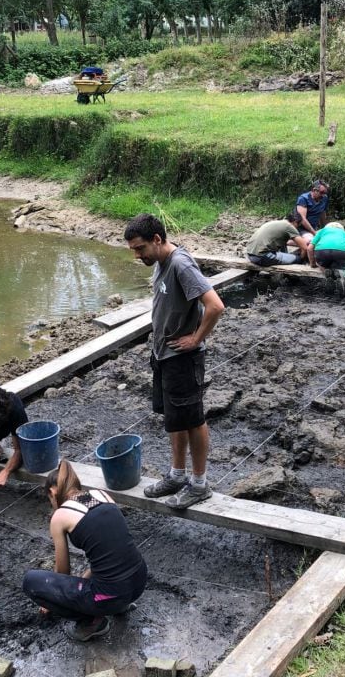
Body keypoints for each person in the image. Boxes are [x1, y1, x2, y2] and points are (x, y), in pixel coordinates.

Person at [124, 213, 225, 509]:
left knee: (193, 418)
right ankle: (177, 475)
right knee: (174, 418)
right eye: (133, 250)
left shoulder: (180, 264)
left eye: (140, 248)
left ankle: (199, 484)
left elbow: (215, 306)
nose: (137, 255)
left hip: (184, 358)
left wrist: (195, 338)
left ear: (157, 240)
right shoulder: (159, 262)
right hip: (164, 355)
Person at [22, 461, 148, 642]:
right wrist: (84, 580)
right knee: (104, 575)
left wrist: (50, 597)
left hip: (111, 596)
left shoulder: (60, 516)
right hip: (139, 582)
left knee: (31, 582)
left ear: (52, 492)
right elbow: (108, 554)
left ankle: (92, 622)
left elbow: (63, 572)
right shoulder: (102, 495)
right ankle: (120, 605)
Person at [308, 222, 345, 293]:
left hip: (322, 253)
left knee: (318, 262)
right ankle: (343, 273)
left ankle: (326, 272)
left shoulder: (321, 231)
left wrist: (312, 263)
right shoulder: (343, 233)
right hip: (342, 253)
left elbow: (309, 248)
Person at [245, 212, 310, 266]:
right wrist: (301, 258)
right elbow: (304, 247)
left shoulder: (278, 222)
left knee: (284, 245)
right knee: (297, 259)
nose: (297, 228)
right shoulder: (289, 226)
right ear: (295, 222)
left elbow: (283, 242)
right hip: (261, 257)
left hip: (250, 254)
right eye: (299, 225)